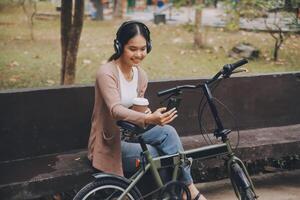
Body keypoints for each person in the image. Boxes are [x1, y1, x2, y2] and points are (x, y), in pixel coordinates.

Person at [87, 20, 207, 200]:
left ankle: (188, 189)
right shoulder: (107, 73)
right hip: (111, 142)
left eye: (143, 49)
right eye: (133, 49)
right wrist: (150, 120)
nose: (139, 54)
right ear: (119, 46)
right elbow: (115, 110)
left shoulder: (141, 75)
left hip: (133, 132)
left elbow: (137, 107)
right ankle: (175, 195)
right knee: (155, 154)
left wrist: (150, 114)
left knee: (169, 133)